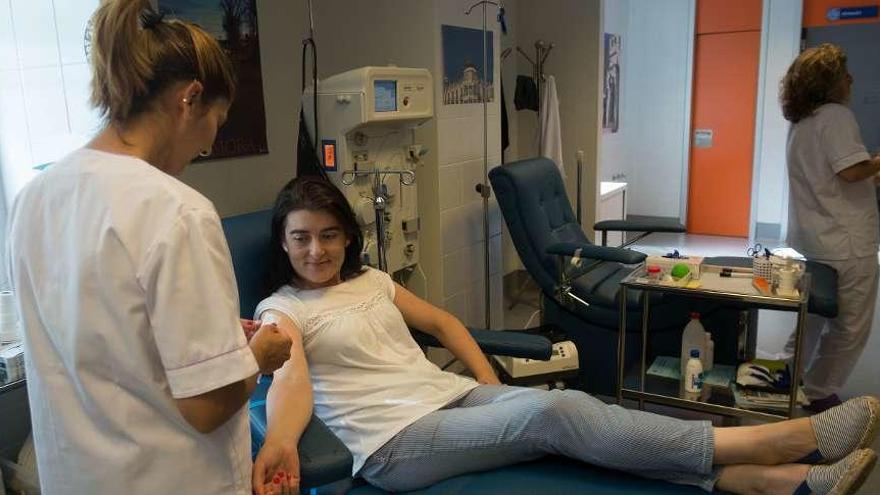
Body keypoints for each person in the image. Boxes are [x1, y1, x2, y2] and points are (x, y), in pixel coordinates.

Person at [251, 177, 879, 495]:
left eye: (329, 235)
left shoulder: (372, 279)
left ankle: (779, 483)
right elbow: (291, 378)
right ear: (284, 243)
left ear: (347, 238)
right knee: (553, 412)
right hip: (391, 443)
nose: (317, 250)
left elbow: (443, 324)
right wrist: (280, 440)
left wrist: (490, 384)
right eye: (302, 237)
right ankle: (785, 441)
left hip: (445, 396)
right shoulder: (281, 308)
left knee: (578, 412)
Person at [6, 1, 291, 493]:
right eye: (215, 123)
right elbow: (205, 407)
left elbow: (109, 343)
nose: (204, 149)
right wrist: (259, 356)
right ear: (191, 98)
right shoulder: (177, 211)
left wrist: (221, 347)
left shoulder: (34, 199)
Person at [780, 43, 880, 413]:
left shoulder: (802, 122)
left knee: (817, 313)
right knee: (851, 325)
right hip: (846, 240)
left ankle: (787, 372)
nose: (851, 79)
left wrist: (870, 171)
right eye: (843, 74)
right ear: (828, 83)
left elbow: (833, 176)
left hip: (817, 237)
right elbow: (850, 170)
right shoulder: (836, 116)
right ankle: (821, 391)